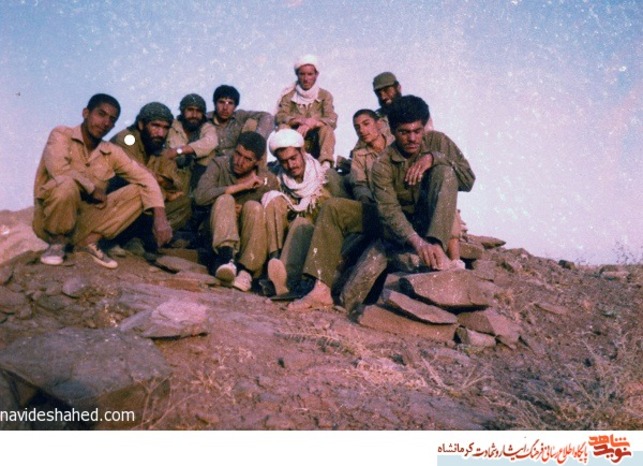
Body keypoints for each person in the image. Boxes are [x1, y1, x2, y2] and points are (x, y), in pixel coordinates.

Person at [287, 95, 475, 310]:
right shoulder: (382, 164)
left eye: (417, 131)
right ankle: (321, 289)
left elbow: (468, 179)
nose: (412, 138)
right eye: (404, 132)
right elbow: (389, 211)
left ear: (424, 127)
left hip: (430, 221)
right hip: (397, 227)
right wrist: (417, 243)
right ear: (392, 131)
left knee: (445, 172)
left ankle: (438, 249)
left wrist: (434, 158)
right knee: (333, 208)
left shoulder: (438, 141)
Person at [33, 93, 172, 268]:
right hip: (51, 220)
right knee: (66, 184)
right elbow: (59, 169)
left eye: (112, 120)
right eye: (101, 114)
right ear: (86, 113)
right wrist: (91, 189)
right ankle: (57, 243)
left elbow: (146, 179)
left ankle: (88, 242)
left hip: (85, 221)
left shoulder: (111, 151)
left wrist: (160, 218)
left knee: (140, 190)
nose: (105, 123)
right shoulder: (61, 134)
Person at [193, 132, 279, 291]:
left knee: (254, 207)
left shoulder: (269, 180)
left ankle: (246, 272)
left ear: (258, 161)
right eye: (238, 154)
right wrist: (240, 187)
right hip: (216, 237)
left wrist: (243, 208)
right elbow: (200, 197)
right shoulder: (219, 164)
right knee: (225, 200)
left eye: (247, 159)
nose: (239, 162)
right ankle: (225, 260)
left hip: (249, 241)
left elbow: (271, 217)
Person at [261, 128, 333, 295]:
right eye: (284, 161)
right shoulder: (278, 179)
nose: (291, 165)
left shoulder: (324, 177)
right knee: (272, 199)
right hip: (285, 239)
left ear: (302, 152)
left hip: (315, 240)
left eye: (293, 158)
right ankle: (275, 263)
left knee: (300, 224)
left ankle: (284, 279)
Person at [111, 102, 192, 232]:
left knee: (184, 203)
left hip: (147, 203)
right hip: (119, 202)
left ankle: (146, 237)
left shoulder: (158, 146)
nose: (160, 133)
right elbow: (138, 176)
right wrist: (164, 190)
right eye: (155, 126)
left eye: (165, 128)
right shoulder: (127, 139)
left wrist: (162, 183)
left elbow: (176, 185)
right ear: (141, 124)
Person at [275, 54, 337, 168]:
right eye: (302, 74)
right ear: (297, 75)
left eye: (310, 74)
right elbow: (279, 117)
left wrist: (312, 123)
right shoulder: (288, 96)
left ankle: (325, 164)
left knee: (327, 129)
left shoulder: (325, 95)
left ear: (316, 75)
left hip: (316, 142)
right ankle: (286, 161)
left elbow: (332, 120)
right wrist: (298, 120)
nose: (306, 78)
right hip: (295, 143)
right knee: (283, 127)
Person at [165, 93, 218, 193]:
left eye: (198, 111)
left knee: (210, 154)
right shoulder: (171, 126)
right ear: (182, 111)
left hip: (195, 176)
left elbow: (211, 141)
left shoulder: (207, 127)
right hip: (173, 174)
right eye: (190, 110)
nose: (194, 115)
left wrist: (179, 150)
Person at [207, 85, 273, 162]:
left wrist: (256, 140)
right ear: (215, 103)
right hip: (212, 162)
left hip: (238, 161)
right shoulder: (205, 119)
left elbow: (267, 117)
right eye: (221, 102)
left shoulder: (240, 116)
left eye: (230, 103)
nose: (225, 108)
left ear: (235, 106)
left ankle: (260, 168)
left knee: (252, 123)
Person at [347, 109, 393, 203]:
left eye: (366, 124)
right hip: (378, 203)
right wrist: (365, 201)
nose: (361, 130)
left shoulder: (395, 142)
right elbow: (359, 184)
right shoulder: (359, 155)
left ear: (378, 124)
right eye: (357, 127)